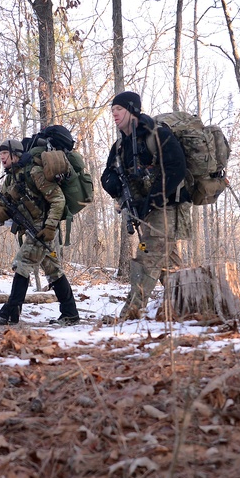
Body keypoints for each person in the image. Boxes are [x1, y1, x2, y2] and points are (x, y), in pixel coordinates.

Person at [100, 91, 191, 320]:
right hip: (145, 212)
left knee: (146, 259)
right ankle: (189, 310)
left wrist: (153, 199)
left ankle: (128, 316)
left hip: (167, 208)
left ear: (132, 110)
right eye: (112, 111)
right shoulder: (120, 146)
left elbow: (176, 168)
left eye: (118, 109)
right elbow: (108, 175)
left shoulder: (156, 135)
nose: (114, 114)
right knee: (169, 267)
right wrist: (117, 189)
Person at [0, 136, 80, 326]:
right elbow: (2, 204)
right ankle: (70, 313)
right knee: (54, 271)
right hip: (31, 230)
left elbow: (58, 200)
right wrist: (1, 211)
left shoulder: (34, 172)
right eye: (0, 154)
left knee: (22, 263)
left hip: (42, 229)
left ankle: (9, 312)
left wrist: (49, 227)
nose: (2, 158)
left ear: (15, 154)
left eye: (5, 153)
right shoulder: (10, 177)